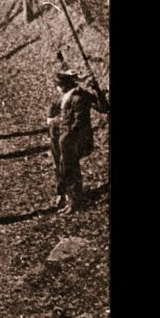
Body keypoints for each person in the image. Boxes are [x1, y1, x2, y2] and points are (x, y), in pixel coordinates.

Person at [47, 70, 105, 214]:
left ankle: (74, 202)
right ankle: (64, 194)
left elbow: (101, 109)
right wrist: (51, 118)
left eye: (58, 85)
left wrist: (97, 90)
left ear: (64, 85)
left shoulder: (79, 97)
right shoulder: (68, 95)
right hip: (61, 137)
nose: (57, 89)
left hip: (72, 139)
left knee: (70, 169)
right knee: (59, 165)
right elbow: (56, 104)